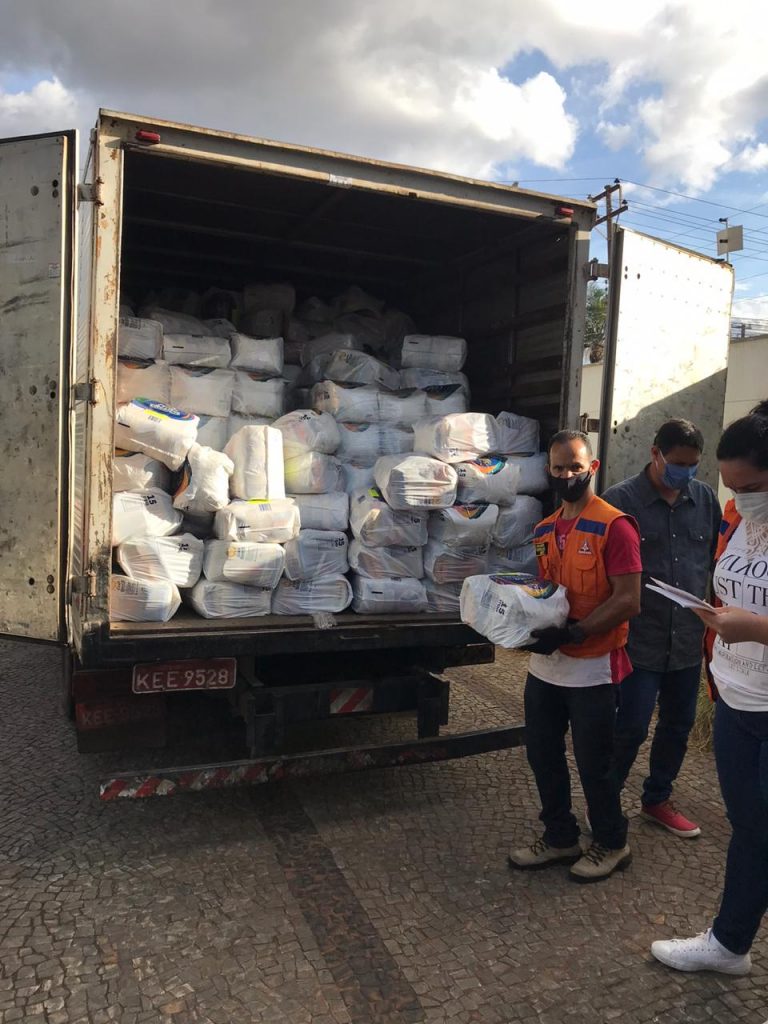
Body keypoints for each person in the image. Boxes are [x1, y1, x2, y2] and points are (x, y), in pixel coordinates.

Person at [651, 400, 768, 975]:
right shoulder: (738, 520)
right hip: (735, 698)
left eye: (751, 487)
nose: (739, 497)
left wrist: (755, 629)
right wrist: (717, 617)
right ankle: (729, 945)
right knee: (751, 831)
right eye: (731, 487)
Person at [508, 430, 642, 882]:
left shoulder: (614, 525)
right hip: (546, 667)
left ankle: (612, 842)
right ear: (549, 470)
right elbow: (545, 592)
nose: (567, 475)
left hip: (593, 667)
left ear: (593, 468)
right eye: (559, 468)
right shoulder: (544, 530)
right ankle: (561, 836)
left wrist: (576, 632)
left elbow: (629, 600)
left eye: (575, 467)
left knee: (594, 764)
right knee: (543, 755)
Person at [602, 420, 721, 837]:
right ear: (655, 453)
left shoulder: (705, 500)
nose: (685, 472)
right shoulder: (620, 502)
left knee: (677, 725)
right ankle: (605, 804)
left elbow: (711, 562)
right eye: (678, 463)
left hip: (686, 641)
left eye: (693, 464)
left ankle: (657, 798)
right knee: (629, 728)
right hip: (637, 642)